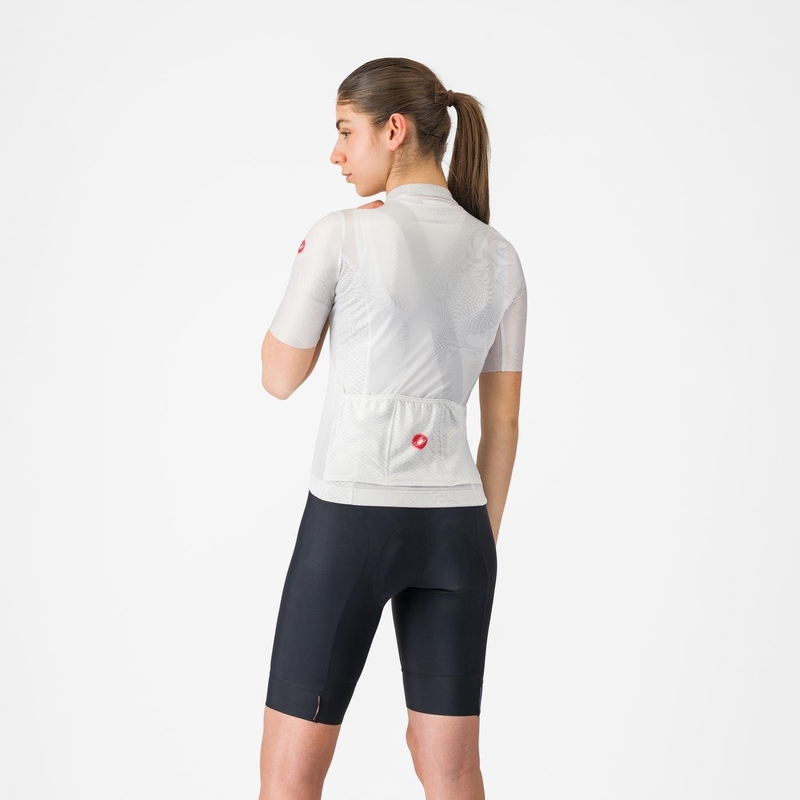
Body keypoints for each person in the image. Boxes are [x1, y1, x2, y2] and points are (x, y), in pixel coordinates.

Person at [258, 57, 527, 800]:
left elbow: (278, 376)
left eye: (346, 132)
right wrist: (474, 543)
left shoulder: (342, 234)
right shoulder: (500, 256)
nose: (336, 154)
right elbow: (503, 422)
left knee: (289, 776)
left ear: (394, 130)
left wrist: (323, 277)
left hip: (352, 519)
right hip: (458, 532)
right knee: (452, 771)